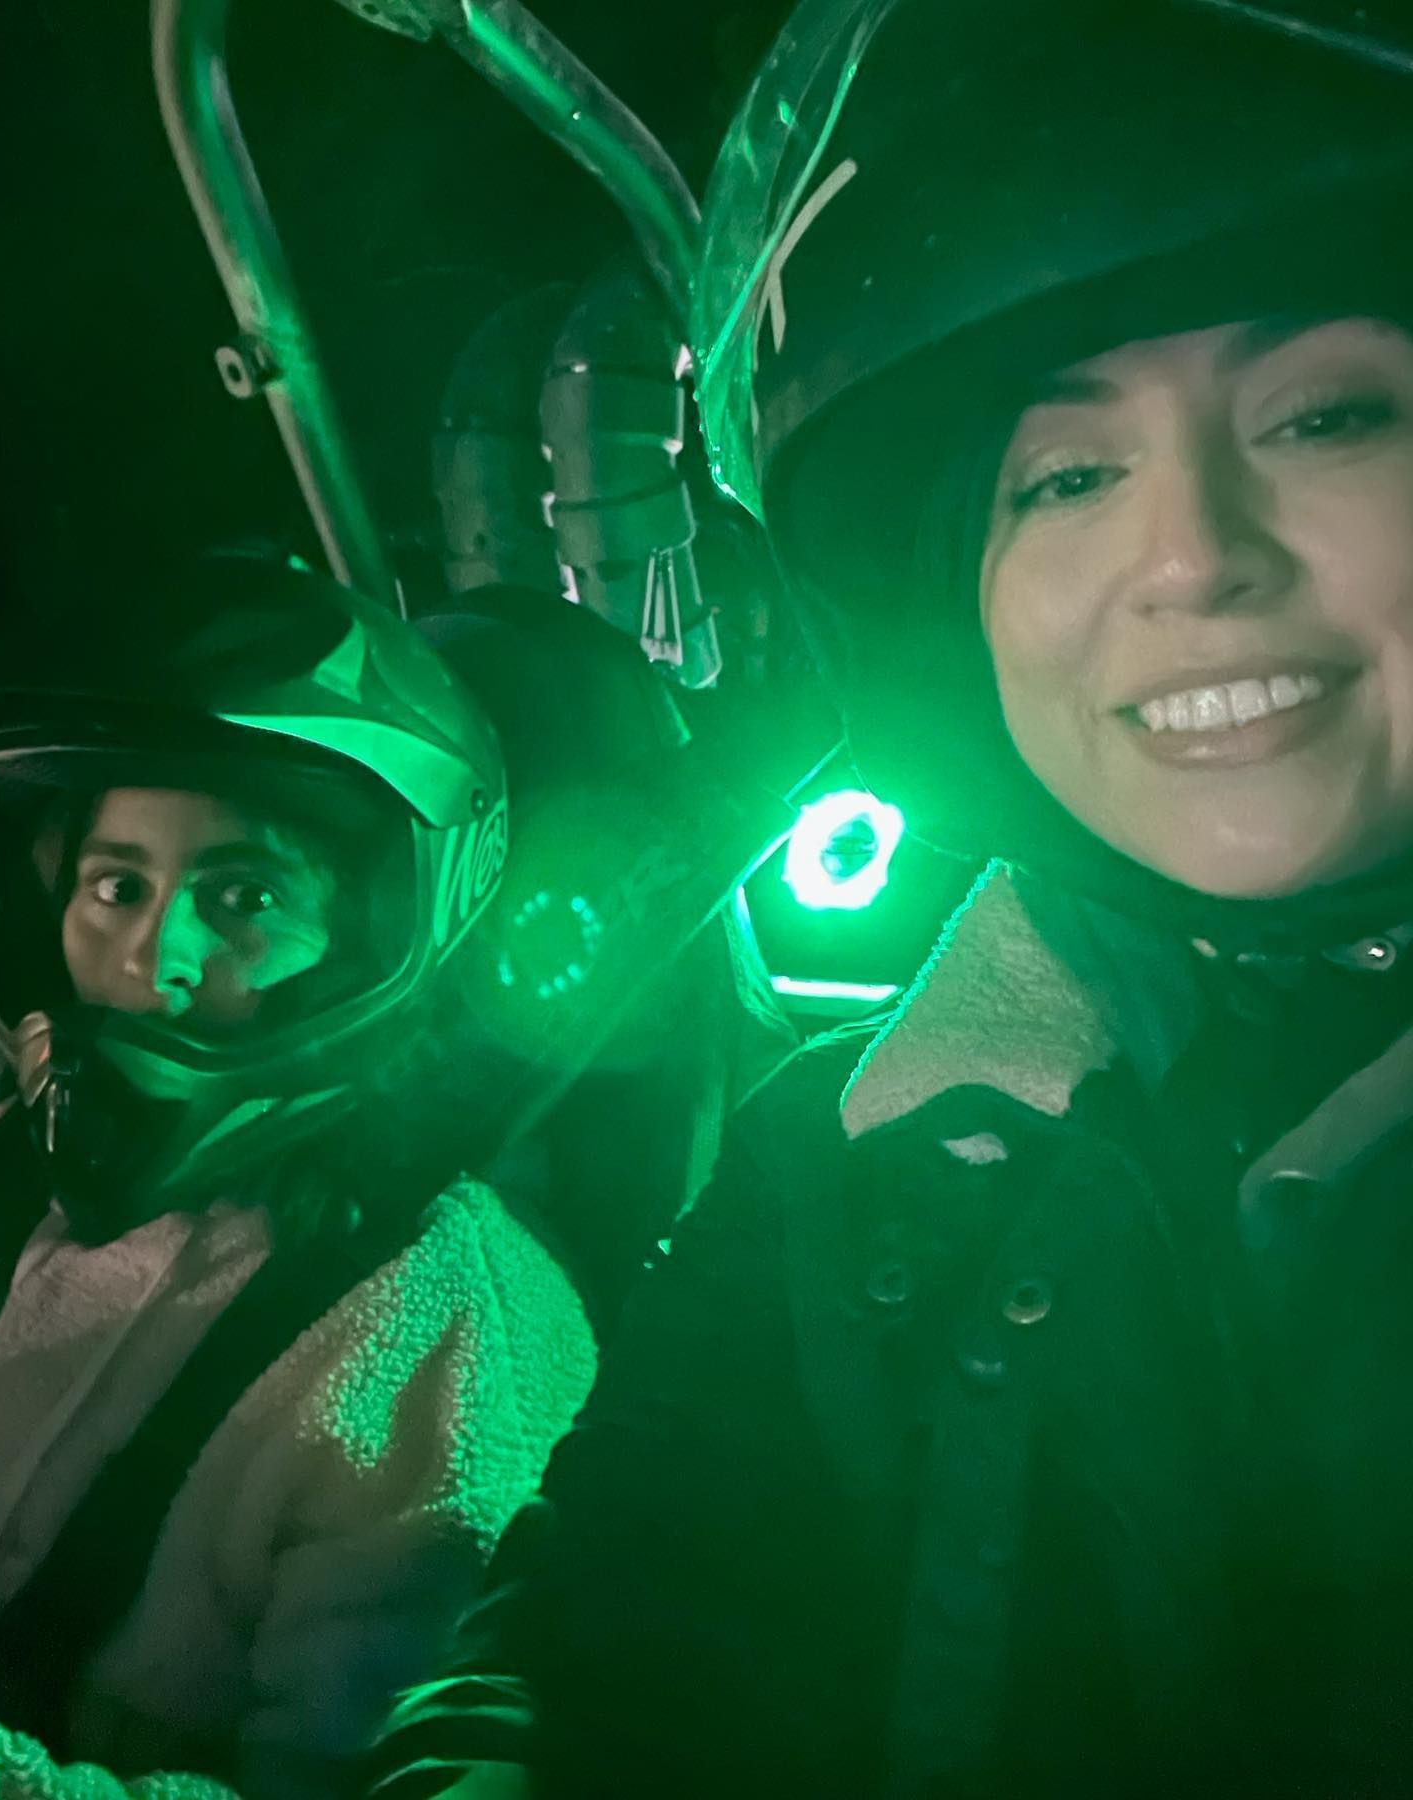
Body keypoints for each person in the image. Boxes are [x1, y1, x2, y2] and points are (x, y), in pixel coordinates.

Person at [369, 1, 1413, 1794]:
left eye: (1327, 414)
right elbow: (606, 1641)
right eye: (1069, 475)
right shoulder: (843, 1153)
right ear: (964, 607)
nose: (1190, 557)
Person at [0, 555, 595, 1798]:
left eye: (243, 892)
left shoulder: (452, 1331)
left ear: (376, 934)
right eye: (116, 886)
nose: (161, 958)